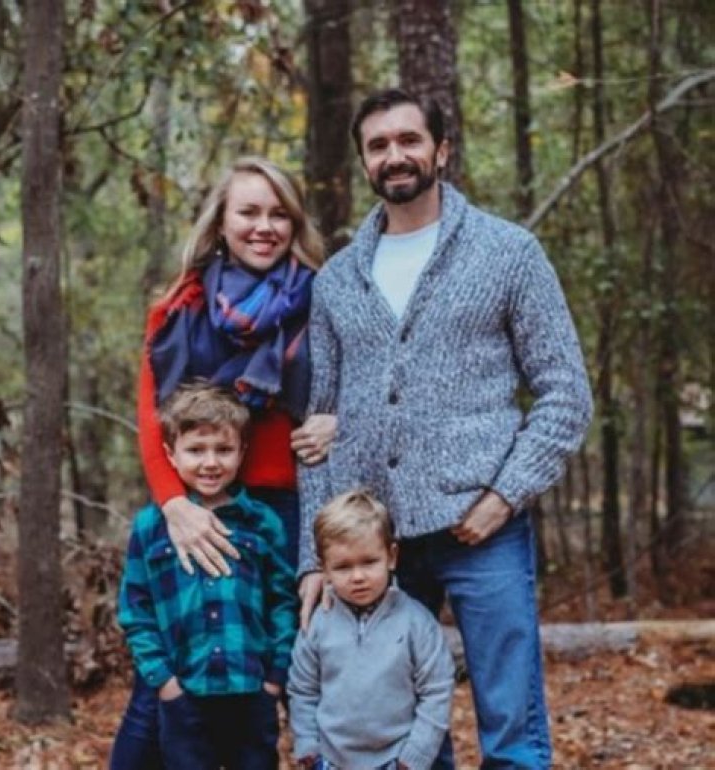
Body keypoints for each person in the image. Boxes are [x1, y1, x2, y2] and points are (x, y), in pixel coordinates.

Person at [297, 89, 594, 769]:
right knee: (397, 727)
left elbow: (566, 393)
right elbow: (317, 429)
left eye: (409, 139)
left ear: (441, 151)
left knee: (511, 723)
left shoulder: (508, 253)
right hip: (375, 544)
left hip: (481, 529)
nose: (395, 155)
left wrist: (504, 495)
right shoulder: (337, 280)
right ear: (364, 162)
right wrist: (315, 559)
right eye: (378, 145)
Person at [110, 156, 335, 769]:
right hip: (201, 506)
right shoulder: (179, 308)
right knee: (165, 687)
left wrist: (338, 422)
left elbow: (362, 390)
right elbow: (152, 418)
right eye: (248, 212)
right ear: (221, 221)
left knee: (283, 676)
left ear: (295, 224)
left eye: (278, 214)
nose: (264, 226)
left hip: (291, 509)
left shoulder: (325, 299)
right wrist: (175, 506)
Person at [117, 382, 297, 769]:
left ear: (242, 451)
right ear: (171, 453)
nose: (210, 462)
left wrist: (274, 679)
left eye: (223, 449)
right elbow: (135, 610)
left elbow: (283, 602)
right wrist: (164, 682)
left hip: (250, 692)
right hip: (184, 693)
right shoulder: (151, 526)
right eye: (196, 450)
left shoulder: (262, 523)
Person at [288, 489, 455, 770]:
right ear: (324, 568)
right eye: (343, 567)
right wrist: (307, 746)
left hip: (398, 759)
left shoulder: (416, 622)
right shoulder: (318, 624)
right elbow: (303, 689)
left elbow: (436, 691)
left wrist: (415, 756)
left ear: (391, 556)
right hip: (332, 760)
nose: (358, 577)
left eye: (369, 562)